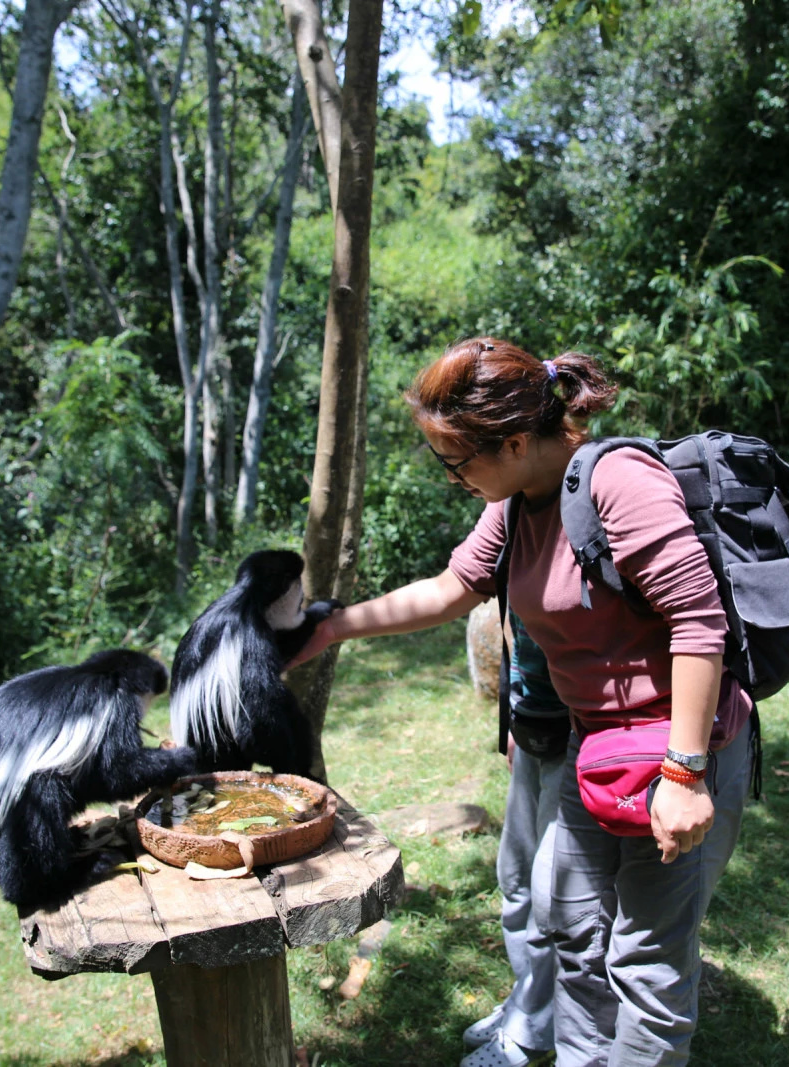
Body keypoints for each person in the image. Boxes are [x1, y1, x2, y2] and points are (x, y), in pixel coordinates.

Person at [292, 338, 755, 1067]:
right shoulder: (517, 504)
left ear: (512, 441)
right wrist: (331, 627)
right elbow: (451, 589)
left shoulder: (618, 482)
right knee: (568, 919)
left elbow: (700, 622)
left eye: (458, 463)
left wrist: (685, 772)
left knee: (645, 961)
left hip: (678, 754)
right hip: (596, 748)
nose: (455, 479)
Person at [461, 612, 569, 1067]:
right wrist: (513, 715)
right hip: (533, 724)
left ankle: (536, 1031)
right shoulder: (516, 537)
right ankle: (528, 1000)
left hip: (587, 733)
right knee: (516, 879)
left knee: (555, 899)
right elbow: (513, 620)